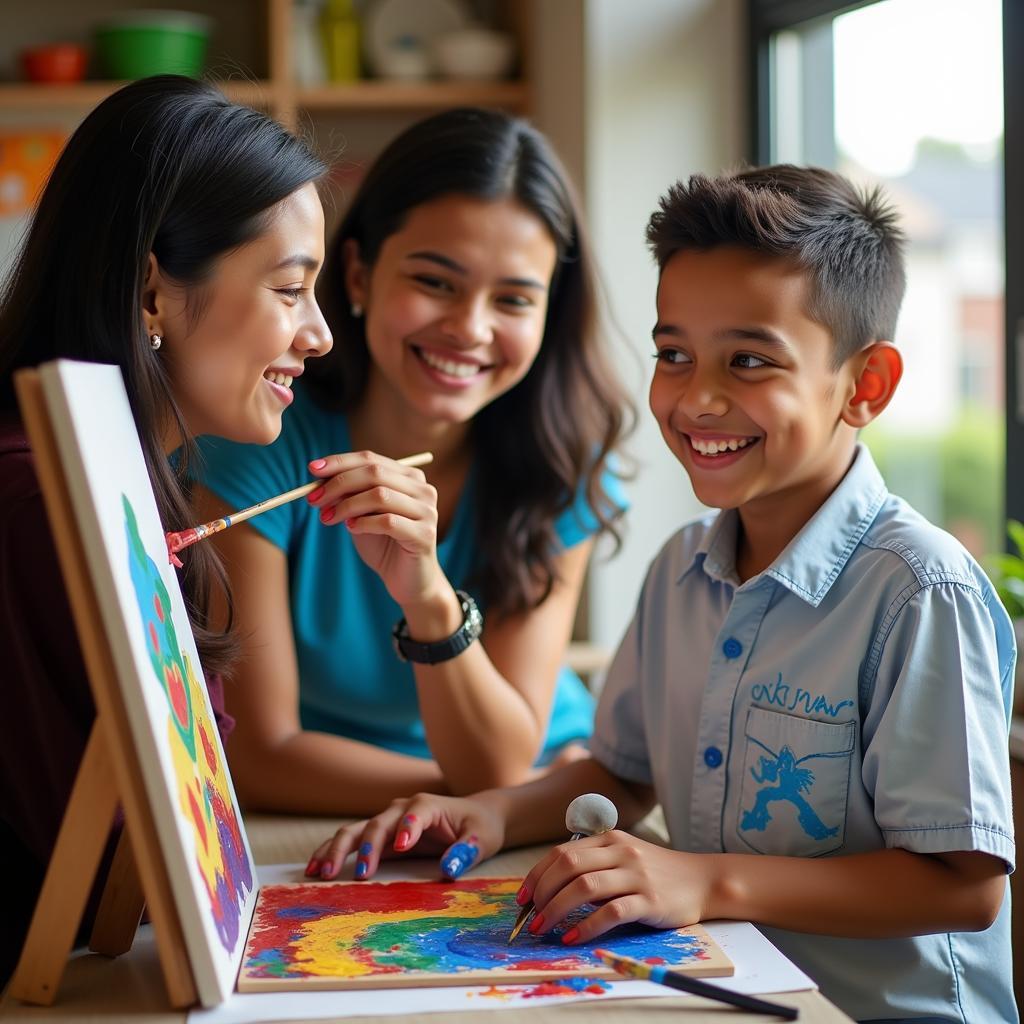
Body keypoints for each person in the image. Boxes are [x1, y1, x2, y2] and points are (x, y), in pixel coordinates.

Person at [309, 166, 1017, 1023]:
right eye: (673, 354)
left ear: (865, 386)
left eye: (749, 360)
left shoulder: (919, 593)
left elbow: (963, 890)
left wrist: (703, 877)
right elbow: (622, 771)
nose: (696, 398)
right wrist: (488, 812)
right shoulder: (681, 568)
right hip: (727, 988)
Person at [192, 107, 631, 824]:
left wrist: (428, 595)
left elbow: (499, 756)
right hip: (487, 798)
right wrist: (495, 801)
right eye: (436, 281)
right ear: (359, 275)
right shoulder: (258, 439)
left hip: (529, 792)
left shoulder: (563, 465)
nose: (470, 328)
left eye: (515, 299)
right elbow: (258, 755)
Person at [0, 75, 332, 985]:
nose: (321, 333)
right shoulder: (37, 502)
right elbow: (128, 862)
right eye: (291, 289)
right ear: (153, 289)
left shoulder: (135, 491)